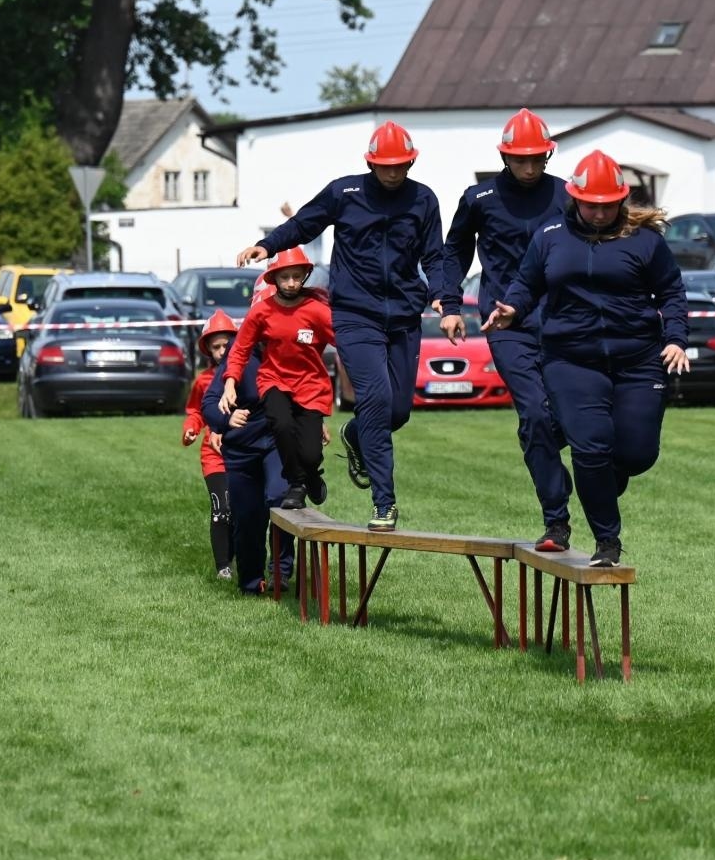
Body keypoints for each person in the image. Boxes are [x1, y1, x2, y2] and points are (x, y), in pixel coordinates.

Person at [235, 120, 444, 533]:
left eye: (400, 165)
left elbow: (435, 255)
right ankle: (384, 503)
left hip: (404, 316)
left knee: (397, 411)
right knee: (377, 400)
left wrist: (442, 296)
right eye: (385, 165)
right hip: (355, 314)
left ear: (411, 163)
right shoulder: (344, 193)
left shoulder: (423, 199)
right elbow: (305, 223)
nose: (392, 172)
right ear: (370, 163)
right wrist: (268, 245)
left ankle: (356, 434)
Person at [484, 151, 689, 568]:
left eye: (607, 205)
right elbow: (527, 283)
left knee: (637, 454)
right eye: (591, 205)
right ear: (575, 199)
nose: (598, 213)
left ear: (621, 200)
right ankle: (607, 541)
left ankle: (605, 481)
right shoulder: (551, 236)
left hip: (638, 360)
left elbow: (672, 293)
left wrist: (676, 339)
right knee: (590, 449)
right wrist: (513, 309)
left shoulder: (645, 241)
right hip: (571, 361)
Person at [437, 108, 574, 552]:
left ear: (548, 156)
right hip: (505, 323)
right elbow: (455, 252)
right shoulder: (480, 199)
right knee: (534, 413)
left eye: (537, 159)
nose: (529, 168)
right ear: (504, 157)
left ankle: (539, 443)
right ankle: (556, 522)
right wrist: (450, 304)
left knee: (564, 418)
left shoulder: (567, 196)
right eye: (520, 159)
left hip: (562, 321)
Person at [219, 248, 335, 510]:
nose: (291, 283)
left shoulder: (317, 311)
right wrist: (230, 382)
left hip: (310, 386)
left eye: (297, 276)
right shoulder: (261, 312)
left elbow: (347, 343)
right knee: (281, 424)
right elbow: (240, 349)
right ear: (274, 279)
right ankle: (296, 484)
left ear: (304, 276)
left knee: (311, 453)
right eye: (285, 277)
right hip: (275, 380)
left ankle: (311, 474)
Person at [202, 339, 295, 595]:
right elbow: (209, 402)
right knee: (247, 516)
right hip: (241, 449)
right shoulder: (239, 353)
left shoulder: (288, 348)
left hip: (277, 442)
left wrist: (315, 422)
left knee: (281, 498)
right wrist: (226, 418)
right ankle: (252, 582)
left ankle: (280, 571)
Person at [182, 310, 238, 579]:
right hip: (213, 456)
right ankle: (222, 566)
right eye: (216, 347)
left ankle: (238, 556)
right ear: (207, 350)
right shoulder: (203, 380)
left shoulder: (246, 375)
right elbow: (195, 411)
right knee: (221, 509)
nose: (222, 351)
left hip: (241, 454)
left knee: (240, 509)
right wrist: (191, 429)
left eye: (226, 344)